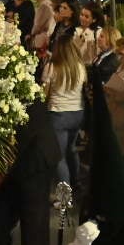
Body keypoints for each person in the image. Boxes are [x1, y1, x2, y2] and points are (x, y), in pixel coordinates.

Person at [44, 35, 87, 191]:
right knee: (72, 149)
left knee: (59, 157)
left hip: (58, 114)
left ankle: (65, 194)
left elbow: (46, 92)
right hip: (77, 113)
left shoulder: (53, 66)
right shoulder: (80, 66)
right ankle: (76, 182)